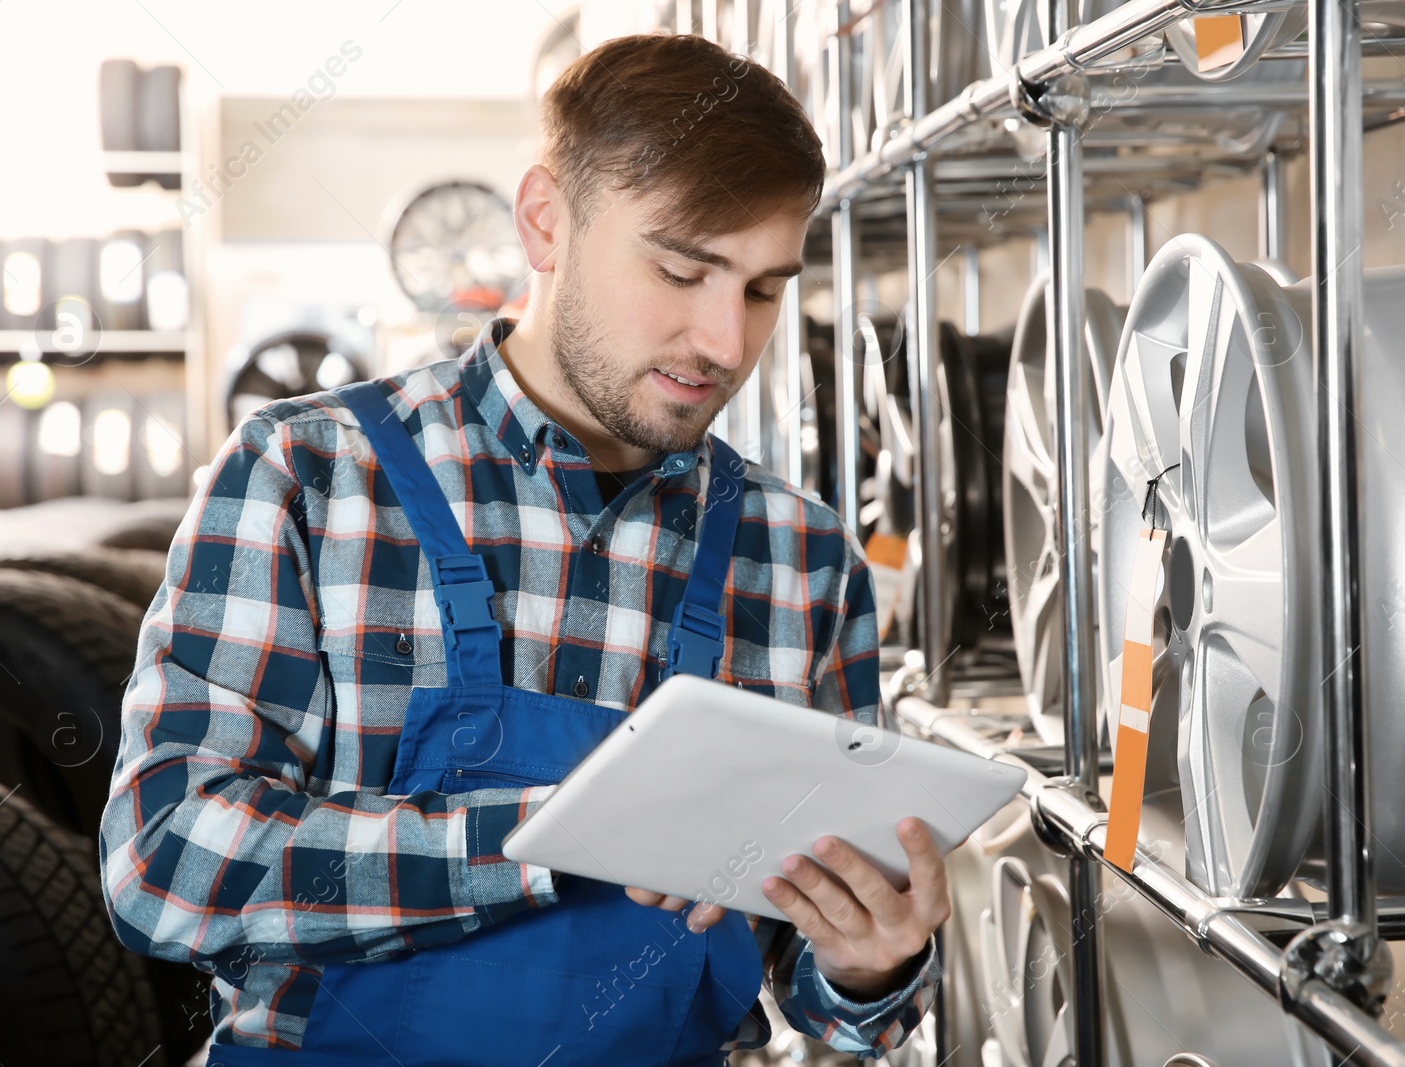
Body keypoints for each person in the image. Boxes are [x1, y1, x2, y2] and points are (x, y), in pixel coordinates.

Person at [99, 30, 949, 1065]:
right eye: (684, 269)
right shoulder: (307, 476)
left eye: (764, 288)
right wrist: (554, 840)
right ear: (546, 221)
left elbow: (812, 981)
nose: (727, 342)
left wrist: (869, 965)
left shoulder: (801, 559)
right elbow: (166, 862)